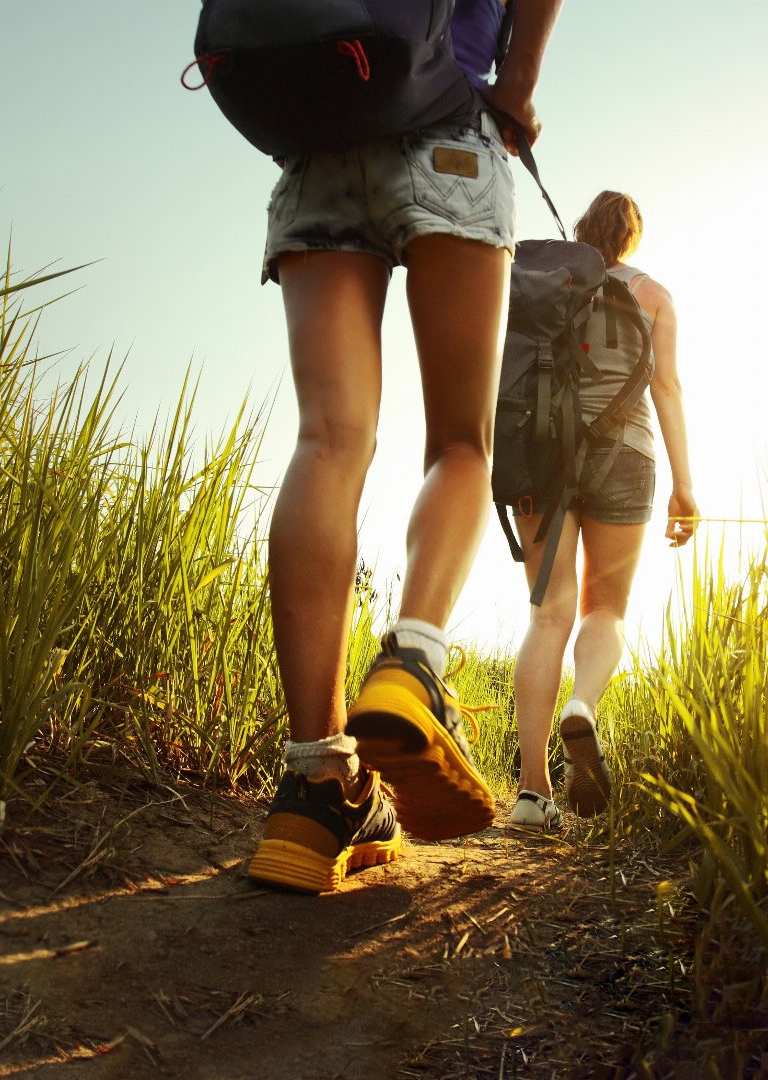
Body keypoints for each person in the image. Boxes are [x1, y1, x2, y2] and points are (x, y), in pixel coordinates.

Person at [246, 0, 563, 894]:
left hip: (318, 138)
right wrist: (520, 90)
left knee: (328, 438)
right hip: (448, 122)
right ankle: (412, 664)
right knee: (460, 442)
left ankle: (315, 783)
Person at [508, 191, 699, 831]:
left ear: (584, 232)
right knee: (605, 608)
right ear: (632, 239)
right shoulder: (655, 296)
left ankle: (533, 794)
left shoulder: (547, 283)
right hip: (628, 454)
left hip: (542, 453)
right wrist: (684, 486)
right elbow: (666, 388)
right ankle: (582, 704)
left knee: (548, 613)